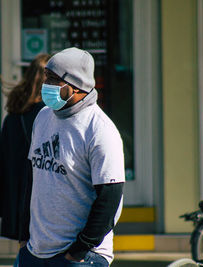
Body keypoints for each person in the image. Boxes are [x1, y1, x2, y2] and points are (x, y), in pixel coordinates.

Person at [18, 47, 125, 267]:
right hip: (35, 250)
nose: (45, 84)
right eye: (46, 76)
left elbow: (110, 198)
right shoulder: (43, 117)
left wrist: (79, 250)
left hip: (80, 257)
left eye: (53, 79)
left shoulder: (99, 130)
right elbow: (32, 179)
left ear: (76, 86)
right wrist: (24, 236)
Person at [0, 53, 51, 252]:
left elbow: (0, 168)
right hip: (51, 207)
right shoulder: (57, 116)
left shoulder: (14, 118)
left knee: (27, 254)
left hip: (22, 207)